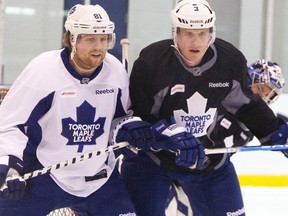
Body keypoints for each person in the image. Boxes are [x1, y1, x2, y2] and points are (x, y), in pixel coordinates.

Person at [120, 0, 288, 216]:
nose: (195, 41)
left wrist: (275, 131)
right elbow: (139, 117)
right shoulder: (151, 63)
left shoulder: (229, 61)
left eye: (202, 33)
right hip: (152, 163)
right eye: (188, 33)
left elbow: (247, 106)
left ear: (212, 33)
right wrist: (166, 134)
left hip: (209, 164)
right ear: (176, 33)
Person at [0, 4, 154, 215]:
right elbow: (11, 124)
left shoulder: (115, 70)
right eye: (90, 39)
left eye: (104, 39)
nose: (99, 47)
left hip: (99, 179)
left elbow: (120, 119)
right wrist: (9, 167)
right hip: (47, 173)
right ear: (72, 39)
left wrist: (130, 128)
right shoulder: (43, 70)